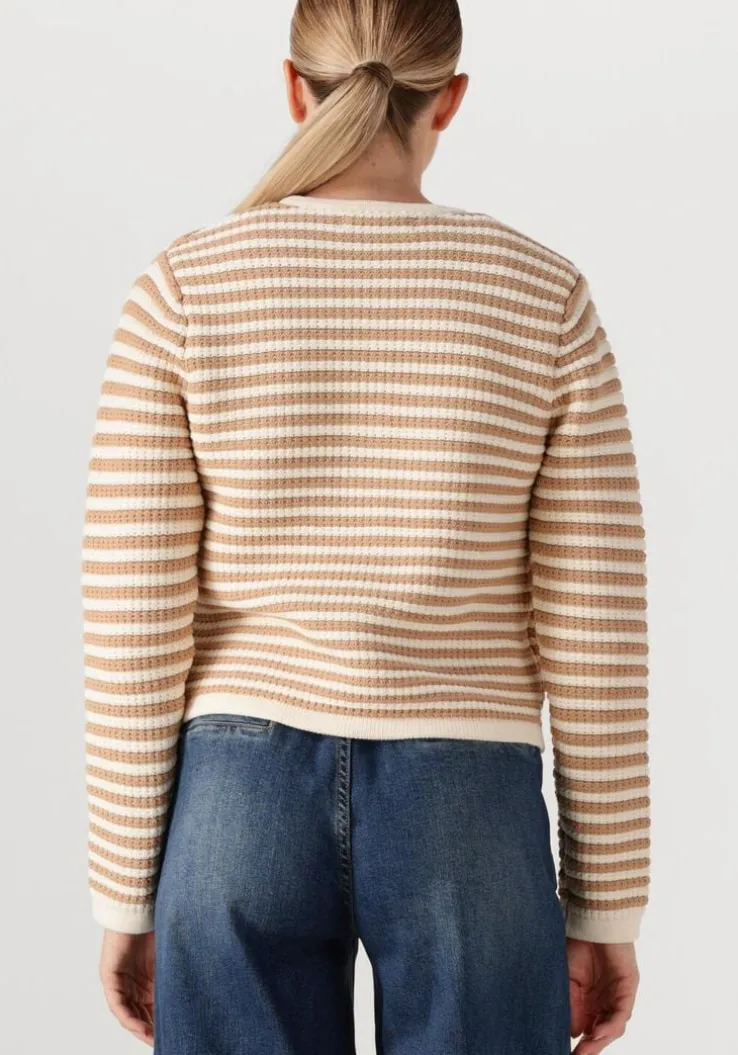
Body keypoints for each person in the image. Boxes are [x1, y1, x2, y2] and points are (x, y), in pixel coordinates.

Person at [81, 1, 650, 1052]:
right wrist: (606, 902)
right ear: (452, 98)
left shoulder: (185, 290)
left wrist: (125, 888)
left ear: (294, 88)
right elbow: (597, 624)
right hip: (467, 801)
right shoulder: (543, 297)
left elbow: (132, 613)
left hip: (236, 802)